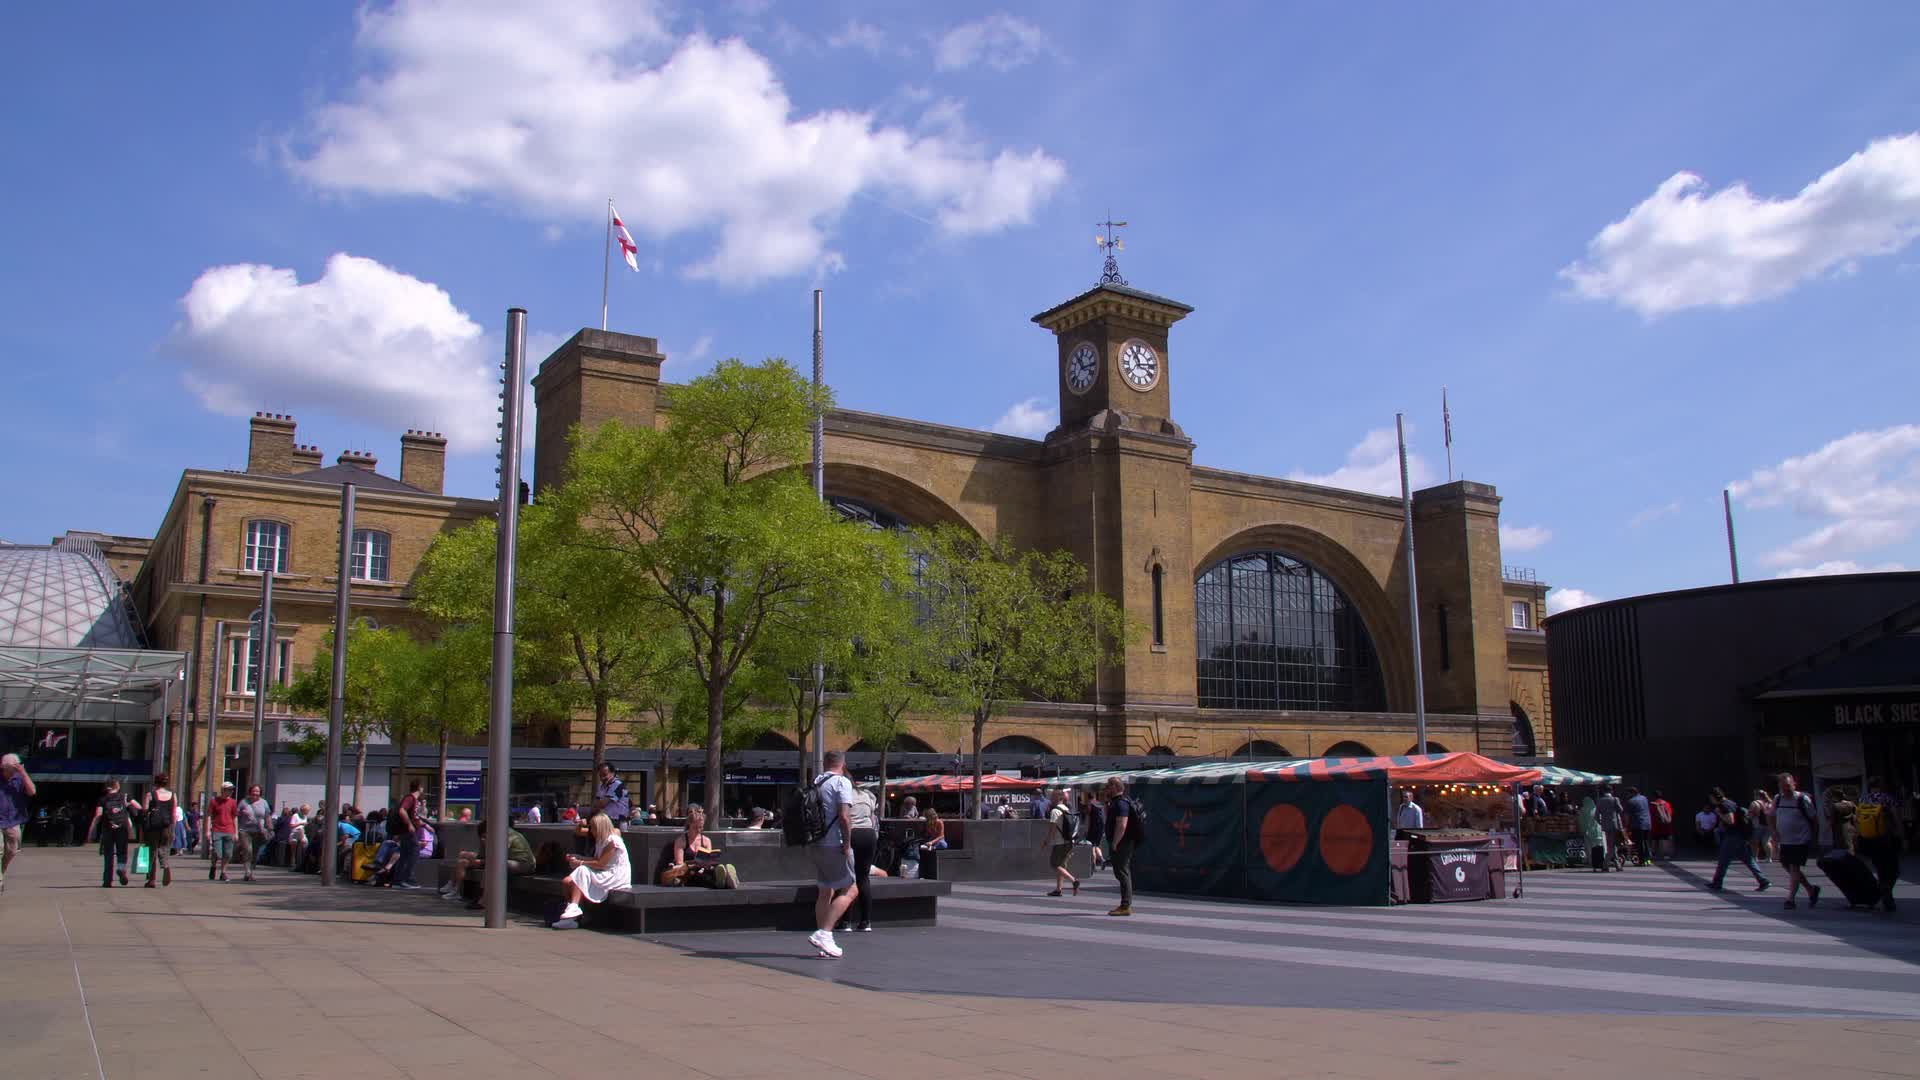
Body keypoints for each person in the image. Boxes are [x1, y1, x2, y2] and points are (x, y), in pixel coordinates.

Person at [806, 751, 859, 958]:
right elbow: (844, 817)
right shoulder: (841, 782)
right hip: (833, 843)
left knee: (825, 891)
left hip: (815, 842)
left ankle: (824, 944)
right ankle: (824, 933)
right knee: (851, 889)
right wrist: (847, 844)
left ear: (826, 763)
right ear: (843, 763)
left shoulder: (817, 781)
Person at [554, 813, 631, 929]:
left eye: (593, 828)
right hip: (605, 872)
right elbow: (596, 860)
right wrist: (578, 857)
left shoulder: (613, 841)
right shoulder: (601, 840)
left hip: (615, 876)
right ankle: (572, 916)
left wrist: (579, 862)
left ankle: (574, 907)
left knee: (582, 870)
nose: (591, 831)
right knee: (566, 881)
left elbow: (601, 864)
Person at [442, 816, 536, 909]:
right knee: (463, 857)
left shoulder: (507, 833)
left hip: (523, 864)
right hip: (506, 860)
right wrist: (483, 846)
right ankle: (454, 886)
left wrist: (481, 859)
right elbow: (486, 855)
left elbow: (498, 854)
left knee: (492, 866)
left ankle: (483, 899)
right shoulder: (497, 833)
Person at [1768, 773, 1821, 910]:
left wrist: (1815, 837)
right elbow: (1771, 816)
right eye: (1783, 786)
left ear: (1794, 784)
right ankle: (1811, 890)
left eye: (1788, 785)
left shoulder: (1802, 799)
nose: (1786, 788)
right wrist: (1773, 831)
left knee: (1794, 867)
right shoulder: (1777, 799)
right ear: (1779, 786)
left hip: (1800, 840)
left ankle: (1790, 899)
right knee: (1788, 866)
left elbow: (1815, 819)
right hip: (1785, 841)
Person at [1707, 786, 1771, 895]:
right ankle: (1763, 880)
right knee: (1747, 859)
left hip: (1733, 835)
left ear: (1714, 796)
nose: (1710, 800)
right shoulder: (1730, 802)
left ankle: (1717, 882)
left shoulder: (1723, 805)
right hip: (1739, 834)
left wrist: (1719, 814)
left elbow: (1730, 820)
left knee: (1724, 859)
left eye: (1711, 798)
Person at [660, 806, 738, 889]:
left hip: (704, 869)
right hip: (689, 872)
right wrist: (694, 863)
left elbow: (709, 859)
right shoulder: (681, 841)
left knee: (713, 869)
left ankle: (726, 878)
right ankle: (726, 882)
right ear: (689, 825)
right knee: (701, 876)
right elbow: (680, 863)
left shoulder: (706, 840)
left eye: (700, 827)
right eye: (695, 827)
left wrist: (708, 862)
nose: (698, 830)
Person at [1857, 776, 1904, 912]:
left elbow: (1858, 821)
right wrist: (1902, 836)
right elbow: (1896, 817)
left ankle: (1883, 888)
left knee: (1880, 867)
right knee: (1894, 869)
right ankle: (1886, 889)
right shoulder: (1887, 798)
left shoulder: (1863, 799)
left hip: (1869, 839)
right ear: (1881, 785)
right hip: (1886, 839)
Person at [89, 779, 136, 887]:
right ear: (117, 786)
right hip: (122, 828)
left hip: (107, 829)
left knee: (108, 854)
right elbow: (138, 807)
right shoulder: (124, 796)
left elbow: (98, 815)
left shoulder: (103, 799)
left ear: (107, 787)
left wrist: (91, 830)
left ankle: (107, 880)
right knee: (122, 852)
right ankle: (121, 869)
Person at [846, 782, 879, 932]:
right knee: (863, 877)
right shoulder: (867, 795)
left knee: (847, 877)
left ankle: (845, 921)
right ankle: (866, 921)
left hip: (852, 833)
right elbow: (872, 816)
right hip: (868, 833)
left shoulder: (844, 794)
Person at [0, 753, 34, 894]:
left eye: (15, 768)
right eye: (10, 769)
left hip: (13, 820)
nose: (13, 771)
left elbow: (32, 791)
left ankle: (2, 871)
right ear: (3, 768)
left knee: (12, 850)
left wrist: (23, 772)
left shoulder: (19, 778)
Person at [1105, 778, 1140, 916]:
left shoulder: (1121, 804)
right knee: (1120, 872)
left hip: (1122, 843)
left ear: (1114, 787)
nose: (1106, 789)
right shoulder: (1117, 803)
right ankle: (1125, 904)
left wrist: (1115, 842)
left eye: (1108, 786)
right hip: (1122, 842)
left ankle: (1125, 905)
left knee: (1122, 872)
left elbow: (1122, 825)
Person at [141, 773, 179, 888]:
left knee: (151, 852)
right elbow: (174, 814)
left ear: (155, 782)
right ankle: (165, 866)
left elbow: (144, 811)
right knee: (164, 849)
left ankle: (151, 880)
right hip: (166, 827)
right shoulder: (172, 795)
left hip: (152, 828)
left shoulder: (150, 794)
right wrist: (173, 830)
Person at [1044, 788, 1080, 898]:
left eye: (1053, 796)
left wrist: (1047, 841)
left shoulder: (1055, 811)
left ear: (1058, 798)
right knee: (1062, 866)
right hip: (1069, 842)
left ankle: (1074, 881)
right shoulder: (1067, 809)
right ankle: (1058, 889)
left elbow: (1052, 829)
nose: (1050, 798)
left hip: (1059, 842)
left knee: (1054, 864)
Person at [389, 779, 424, 889]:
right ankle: (407, 879)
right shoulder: (410, 798)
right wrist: (409, 824)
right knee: (414, 851)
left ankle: (398, 880)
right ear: (419, 787)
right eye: (422, 787)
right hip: (408, 830)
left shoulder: (414, 799)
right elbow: (402, 810)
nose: (423, 789)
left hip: (406, 830)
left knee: (404, 854)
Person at [206, 782, 240, 883]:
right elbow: (208, 816)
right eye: (229, 789)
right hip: (217, 829)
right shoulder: (214, 801)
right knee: (217, 852)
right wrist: (207, 830)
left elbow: (235, 817)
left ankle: (223, 872)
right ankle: (213, 866)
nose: (231, 792)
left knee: (228, 854)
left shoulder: (233, 802)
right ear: (223, 790)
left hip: (229, 830)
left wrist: (236, 832)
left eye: (232, 790)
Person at [237, 784, 272, 882]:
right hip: (245, 830)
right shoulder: (243, 802)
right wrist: (242, 813)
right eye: (254, 791)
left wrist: (269, 827)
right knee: (248, 850)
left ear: (260, 793)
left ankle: (250, 873)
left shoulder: (264, 803)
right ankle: (247, 871)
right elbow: (236, 814)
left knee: (255, 853)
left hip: (259, 831)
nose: (255, 793)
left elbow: (267, 816)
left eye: (257, 791)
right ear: (250, 792)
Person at [1594, 786, 1626, 863]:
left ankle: (1617, 863)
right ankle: (1606, 863)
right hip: (1615, 825)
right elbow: (1621, 810)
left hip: (1605, 826)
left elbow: (1596, 816)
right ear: (1611, 791)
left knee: (1611, 844)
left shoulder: (1599, 800)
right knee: (1612, 846)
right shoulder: (1615, 799)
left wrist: (1601, 823)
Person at [1578, 795, 1609, 873]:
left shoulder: (1582, 810)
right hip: (1599, 832)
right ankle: (1603, 862)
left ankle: (1593, 863)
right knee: (1601, 847)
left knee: (1591, 849)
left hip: (1589, 832)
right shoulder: (1596, 809)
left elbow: (1582, 822)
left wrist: (1583, 830)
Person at [1624, 787, 1653, 866]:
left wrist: (1626, 826)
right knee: (1646, 842)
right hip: (1647, 824)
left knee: (1639, 843)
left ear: (1631, 793)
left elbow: (1627, 816)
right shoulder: (1644, 798)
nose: (1627, 795)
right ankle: (1648, 860)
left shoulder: (1630, 801)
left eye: (1628, 794)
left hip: (1638, 824)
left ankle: (1642, 861)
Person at [1749, 789, 1776, 863]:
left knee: (1755, 841)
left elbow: (1751, 815)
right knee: (1766, 842)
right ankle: (1769, 858)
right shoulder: (1770, 803)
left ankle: (1755, 857)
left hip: (1758, 825)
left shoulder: (1755, 803)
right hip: (1768, 825)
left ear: (1757, 795)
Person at [1649, 789, 1675, 859]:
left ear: (1654, 796)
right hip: (1666, 826)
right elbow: (1670, 814)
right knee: (1665, 840)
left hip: (1655, 826)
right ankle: (1666, 855)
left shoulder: (1652, 804)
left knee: (1654, 840)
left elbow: (1650, 815)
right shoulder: (1666, 803)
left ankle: (1653, 854)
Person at [1084, 790, 1106, 870]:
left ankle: (1093, 865)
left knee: (1092, 846)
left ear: (1088, 797)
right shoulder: (1100, 804)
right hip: (1100, 828)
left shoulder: (1090, 804)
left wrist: (1087, 829)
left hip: (1092, 828)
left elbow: (1089, 818)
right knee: (1096, 845)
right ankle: (1102, 859)